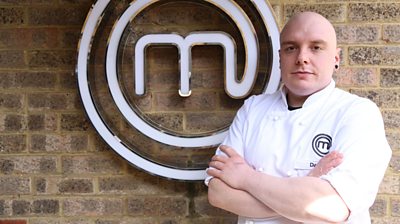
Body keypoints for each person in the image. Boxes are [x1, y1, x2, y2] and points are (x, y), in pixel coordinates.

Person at [205, 11, 392, 224]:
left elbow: (331, 206)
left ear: (336, 58)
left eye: (316, 47)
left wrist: (246, 178)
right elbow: (218, 194)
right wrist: (307, 185)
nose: (302, 57)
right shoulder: (253, 110)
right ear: (280, 57)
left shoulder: (358, 114)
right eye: (291, 48)